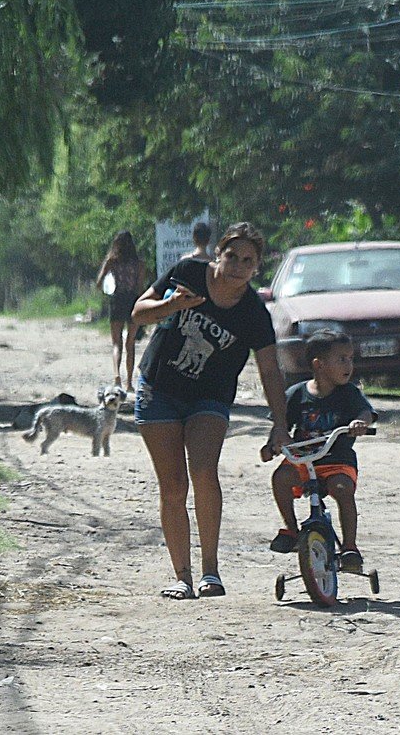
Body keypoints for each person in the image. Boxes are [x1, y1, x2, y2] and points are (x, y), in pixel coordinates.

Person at [131, 222, 292, 600]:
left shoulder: (254, 312)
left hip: (210, 397)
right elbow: (139, 312)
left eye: (247, 261)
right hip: (160, 389)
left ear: (256, 269)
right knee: (173, 485)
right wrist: (172, 305)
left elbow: (270, 370)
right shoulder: (187, 274)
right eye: (231, 255)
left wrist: (280, 423)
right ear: (218, 254)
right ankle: (181, 577)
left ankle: (210, 572)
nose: (237, 265)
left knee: (203, 471)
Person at [265, 330, 376, 573]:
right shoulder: (297, 394)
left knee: (342, 489)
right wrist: (271, 445)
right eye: (342, 359)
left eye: (350, 359)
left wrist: (361, 423)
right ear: (319, 364)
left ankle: (349, 547)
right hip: (303, 460)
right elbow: (281, 424)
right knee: (280, 478)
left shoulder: (349, 393)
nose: (349, 365)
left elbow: (365, 412)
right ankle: (291, 530)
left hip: (337, 460)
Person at [95, 231, 146, 388]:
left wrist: (108, 287)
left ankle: (117, 375)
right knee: (130, 344)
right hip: (133, 302)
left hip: (117, 300)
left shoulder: (112, 261)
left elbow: (99, 283)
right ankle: (129, 382)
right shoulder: (139, 263)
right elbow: (140, 287)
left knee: (116, 343)